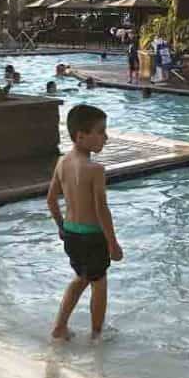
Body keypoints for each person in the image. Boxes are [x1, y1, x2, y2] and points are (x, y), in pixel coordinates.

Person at [47, 104, 123, 340]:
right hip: (92, 236)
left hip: (71, 234)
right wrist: (113, 243)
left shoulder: (62, 162)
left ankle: (60, 327)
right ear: (80, 136)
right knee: (99, 284)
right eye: (100, 132)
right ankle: (97, 334)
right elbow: (101, 209)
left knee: (81, 279)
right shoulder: (95, 169)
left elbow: (50, 200)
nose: (106, 138)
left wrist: (61, 227)